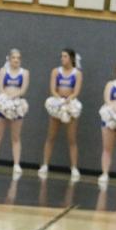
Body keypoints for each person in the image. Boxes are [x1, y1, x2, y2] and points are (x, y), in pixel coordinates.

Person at [0, 49, 29, 178]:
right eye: (14, 57)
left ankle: (16, 164)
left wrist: (14, 96)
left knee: (16, 137)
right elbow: (0, 87)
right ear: (9, 59)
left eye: (18, 58)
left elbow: (23, 89)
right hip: (3, 105)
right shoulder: (3, 71)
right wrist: (6, 97)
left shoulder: (24, 73)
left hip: (16, 106)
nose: (16, 60)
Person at [39, 48, 83, 180]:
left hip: (70, 105)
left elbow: (76, 91)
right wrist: (59, 99)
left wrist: (69, 99)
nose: (62, 59)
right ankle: (45, 165)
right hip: (58, 104)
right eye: (61, 56)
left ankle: (74, 168)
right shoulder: (55, 71)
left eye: (65, 56)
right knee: (51, 136)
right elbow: (53, 89)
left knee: (72, 139)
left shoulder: (77, 73)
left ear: (71, 58)